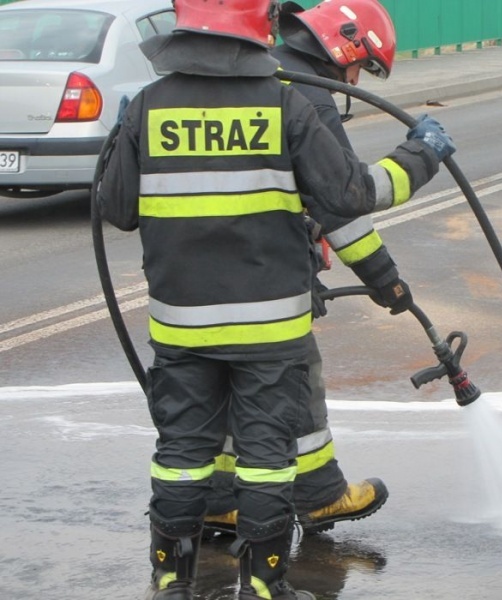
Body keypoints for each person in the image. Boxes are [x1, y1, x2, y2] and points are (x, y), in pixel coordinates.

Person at [95, 1, 455, 599]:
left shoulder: (150, 107)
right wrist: (423, 152)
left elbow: (117, 210)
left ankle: (169, 582)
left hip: (182, 329)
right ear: (255, 31)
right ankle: (263, 586)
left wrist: (122, 135)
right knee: (266, 458)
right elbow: (353, 192)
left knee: (182, 453)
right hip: (269, 329)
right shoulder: (284, 103)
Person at [203, 0, 416, 540]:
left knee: (223, 380)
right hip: (267, 272)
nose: (355, 81)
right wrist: (383, 277)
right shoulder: (309, 97)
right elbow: (341, 204)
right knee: (296, 375)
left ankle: (219, 500)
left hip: (204, 267)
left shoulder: (261, 73)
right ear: (344, 46)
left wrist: (375, 275)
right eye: (359, 67)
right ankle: (320, 497)